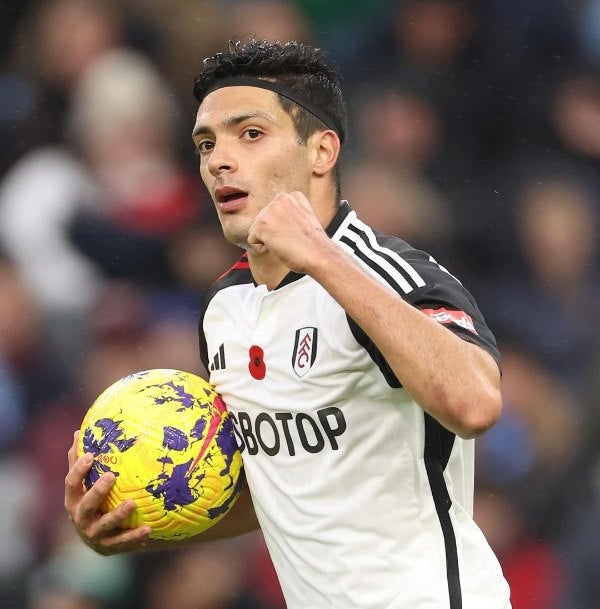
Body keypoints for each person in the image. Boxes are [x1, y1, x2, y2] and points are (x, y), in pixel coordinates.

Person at [65, 38, 511, 608]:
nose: (218, 160)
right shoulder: (226, 307)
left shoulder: (388, 273)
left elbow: (476, 403)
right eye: (206, 143)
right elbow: (283, 488)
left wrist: (323, 259)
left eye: (250, 134)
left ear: (321, 151)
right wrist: (132, 524)